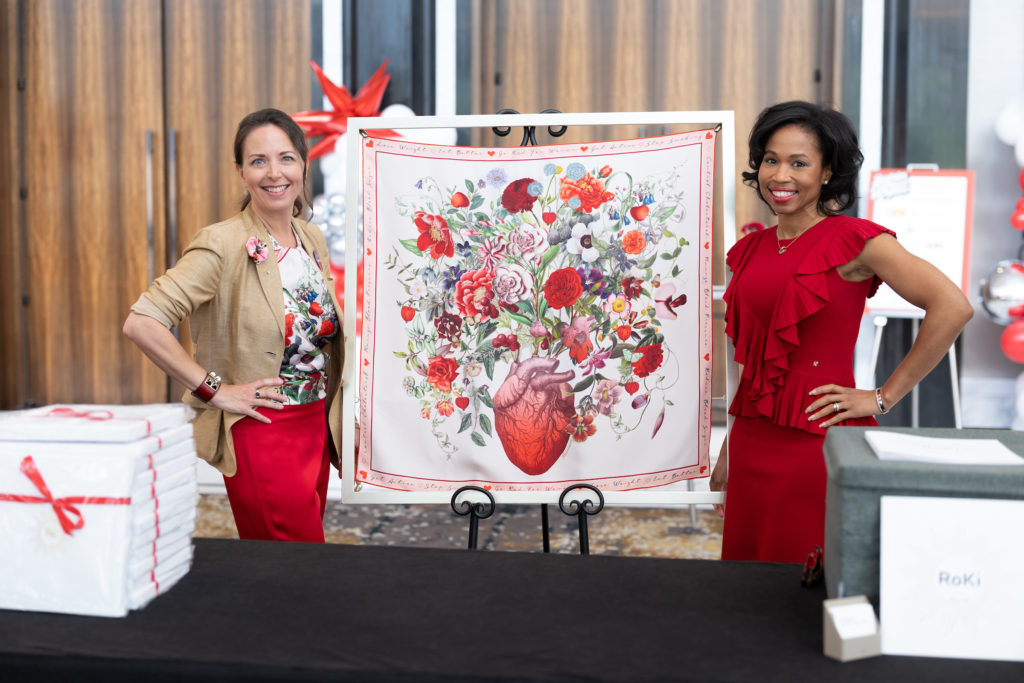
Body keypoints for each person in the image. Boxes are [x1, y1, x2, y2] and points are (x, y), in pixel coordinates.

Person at [710, 101, 973, 562]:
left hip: (816, 440)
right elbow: (757, 366)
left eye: (799, 163)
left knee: (803, 579)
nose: (780, 175)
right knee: (747, 583)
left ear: (827, 171)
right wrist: (728, 449)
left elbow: (953, 307)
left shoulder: (855, 240)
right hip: (750, 442)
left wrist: (882, 397)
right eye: (771, 159)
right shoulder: (749, 250)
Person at [124, 108, 345, 543]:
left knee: (301, 562)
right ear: (241, 172)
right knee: (294, 559)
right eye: (258, 161)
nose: (274, 172)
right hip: (263, 430)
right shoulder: (222, 243)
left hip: (314, 424)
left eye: (285, 158)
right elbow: (142, 322)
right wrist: (214, 389)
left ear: (303, 165)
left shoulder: (309, 237)